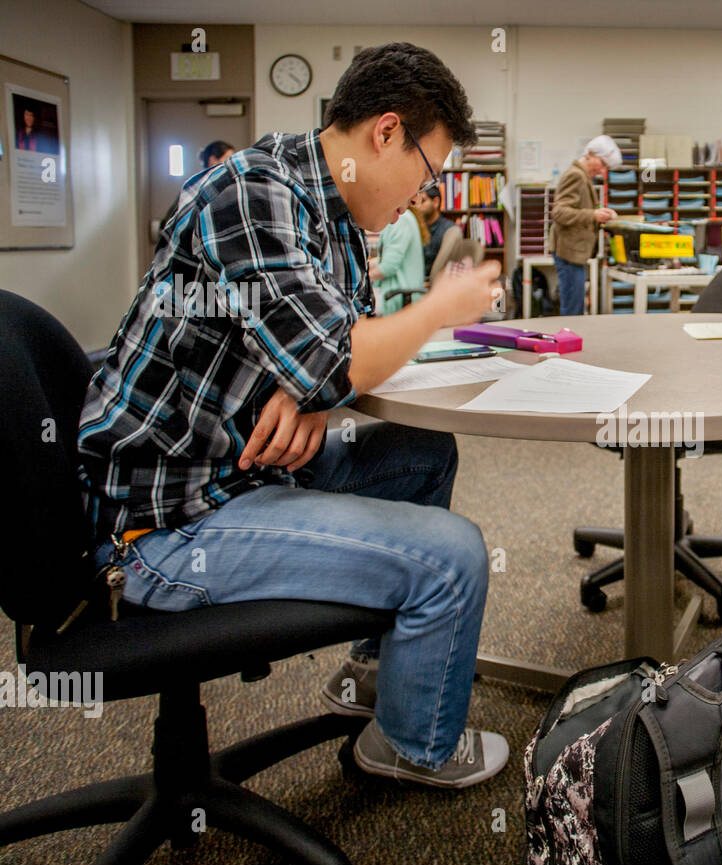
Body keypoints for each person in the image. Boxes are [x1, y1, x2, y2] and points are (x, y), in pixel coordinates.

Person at [78, 42, 508, 788]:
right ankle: (409, 748)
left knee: (422, 452)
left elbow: (334, 355)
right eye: (427, 172)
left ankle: (374, 677)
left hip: (243, 466)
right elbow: (336, 358)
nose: (421, 195)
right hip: (171, 524)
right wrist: (442, 306)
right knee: (453, 556)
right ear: (385, 132)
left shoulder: (332, 209)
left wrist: (309, 388)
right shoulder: (249, 190)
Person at [550, 135, 621, 315]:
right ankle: (569, 342)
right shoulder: (576, 175)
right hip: (569, 253)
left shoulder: (582, 176)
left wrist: (600, 213)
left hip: (575, 254)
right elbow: (559, 212)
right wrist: (593, 215)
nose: (603, 171)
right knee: (573, 311)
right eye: (603, 164)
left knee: (575, 307)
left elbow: (577, 208)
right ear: (590, 154)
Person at [159, 141, 237, 240]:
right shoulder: (196, 188)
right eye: (228, 159)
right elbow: (171, 222)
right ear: (213, 160)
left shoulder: (229, 187)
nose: (231, 164)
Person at [371, 205, 427, 314]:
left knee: (354, 309)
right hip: (395, 293)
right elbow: (386, 259)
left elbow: (388, 267)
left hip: (396, 296)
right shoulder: (401, 218)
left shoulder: (401, 220)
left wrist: (363, 279)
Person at [413, 186, 456, 275]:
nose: (418, 207)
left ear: (435, 202)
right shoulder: (415, 227)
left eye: (422, 201)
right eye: (416, 203)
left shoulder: (449, 230)